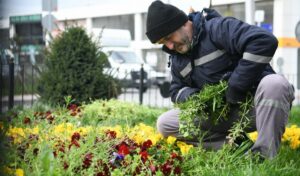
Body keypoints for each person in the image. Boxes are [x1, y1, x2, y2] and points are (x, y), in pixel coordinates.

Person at [145, 0, 295, 159]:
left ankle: (264, 156)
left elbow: (264, 41)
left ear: (183, 23)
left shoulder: (218, 28)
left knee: (275, 84)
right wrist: (195, 97)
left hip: (255, 108)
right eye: (163, 43)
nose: (169, 46)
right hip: (218, 114)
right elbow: (176, 91)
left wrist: (237, 85)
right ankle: (238, 147)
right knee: (165, 123)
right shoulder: (177, 58)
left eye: (169, 37)